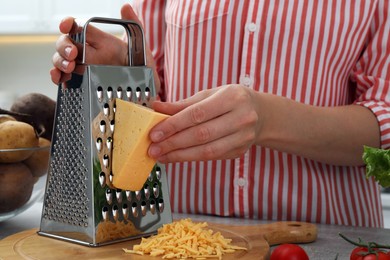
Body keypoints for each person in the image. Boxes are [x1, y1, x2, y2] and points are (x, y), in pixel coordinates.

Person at [50, 1, 390, 227]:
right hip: (183, 234)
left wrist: (268, 119)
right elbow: (158, 97)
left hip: (329, 236)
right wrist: (123, 76)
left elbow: (384, 122)